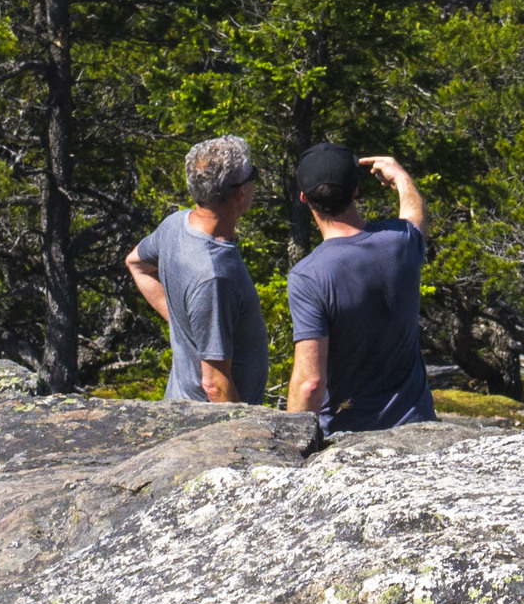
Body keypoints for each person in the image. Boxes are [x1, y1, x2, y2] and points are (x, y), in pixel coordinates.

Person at [284, 144, 435, 432]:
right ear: (355, 191)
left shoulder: (308, 277)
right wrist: (401, 177)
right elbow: (416, 217)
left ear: (304, 198)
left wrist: (293, 448)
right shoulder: (400, 242)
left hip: (348, 437)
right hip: (416, 427)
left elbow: (310, 384)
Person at [125, 135, 269, 405]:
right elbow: (215, 384)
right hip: (208, 426)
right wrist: (248, 436)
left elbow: (136, 263)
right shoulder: (216, 276)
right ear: (239, 192)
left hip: (181, 405)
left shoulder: (174, 225)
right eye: (254, 176)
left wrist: (187, 326)